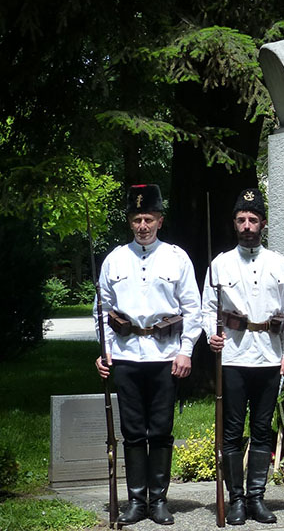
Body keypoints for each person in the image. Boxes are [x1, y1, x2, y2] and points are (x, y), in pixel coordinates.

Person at [94, 184, 202, 526]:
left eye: (149, 219)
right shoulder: (115, 259)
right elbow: (102, 310)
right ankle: (136, 501)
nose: (143, 225)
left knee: (161, 430)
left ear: (160, 220)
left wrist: (185, 352)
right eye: (137, 219)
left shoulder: (176, 257)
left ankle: (159, 501)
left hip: (164, 356)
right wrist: (105, 351)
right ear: (130, 222)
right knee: (132, 431)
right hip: (125, 357)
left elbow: (193, 308)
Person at [202, 189, 284, 525]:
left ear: (263, 224)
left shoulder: (280, 264)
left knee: (262, 429)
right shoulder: (221, 263)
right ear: (234, 223)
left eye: (253, 219)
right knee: (231, 431)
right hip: (233, 356)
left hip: (269, 357)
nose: (246, 225)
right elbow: (207, 308)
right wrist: (210, 336)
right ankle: (236, 499)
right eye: (241, 219)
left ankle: (257, 498)